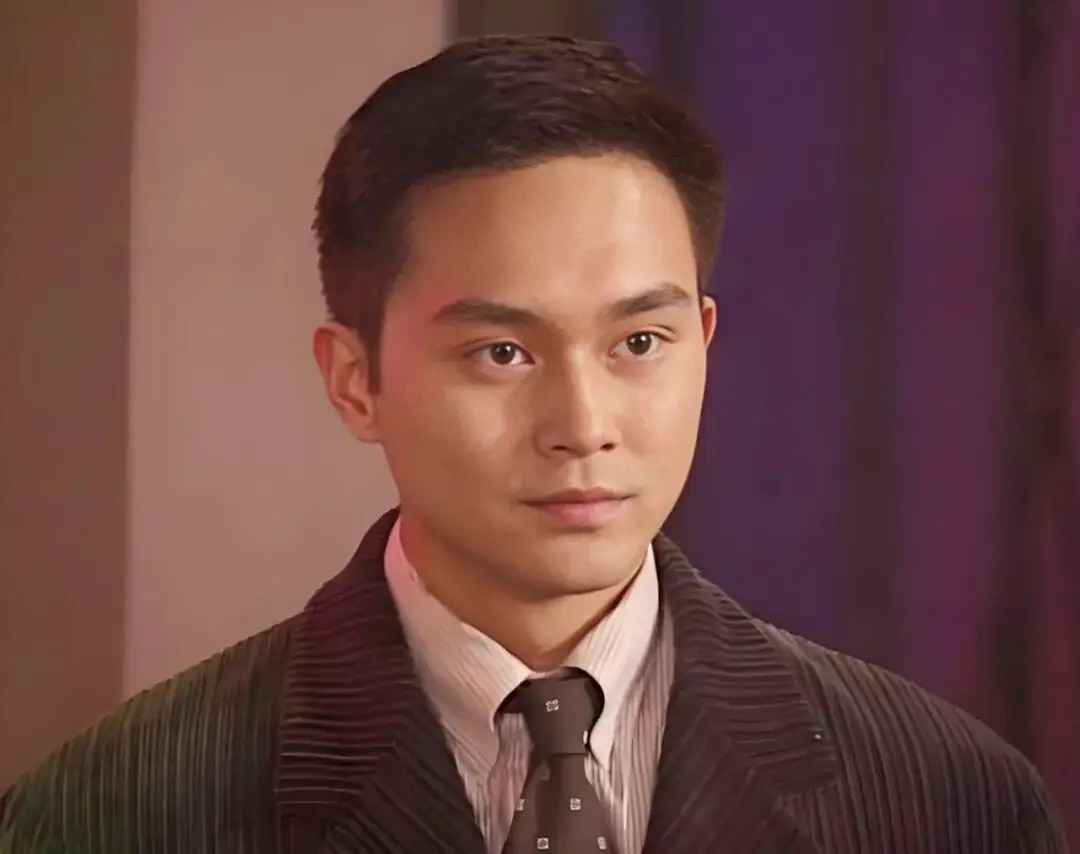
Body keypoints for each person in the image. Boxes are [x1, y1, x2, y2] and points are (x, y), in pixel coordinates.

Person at [0, 34, 1066, 854]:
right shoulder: (116, 808)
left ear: (703, 343)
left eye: (638, 342)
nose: (584, 426)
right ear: (356, 378)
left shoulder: (947, 797)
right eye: (502, 352)